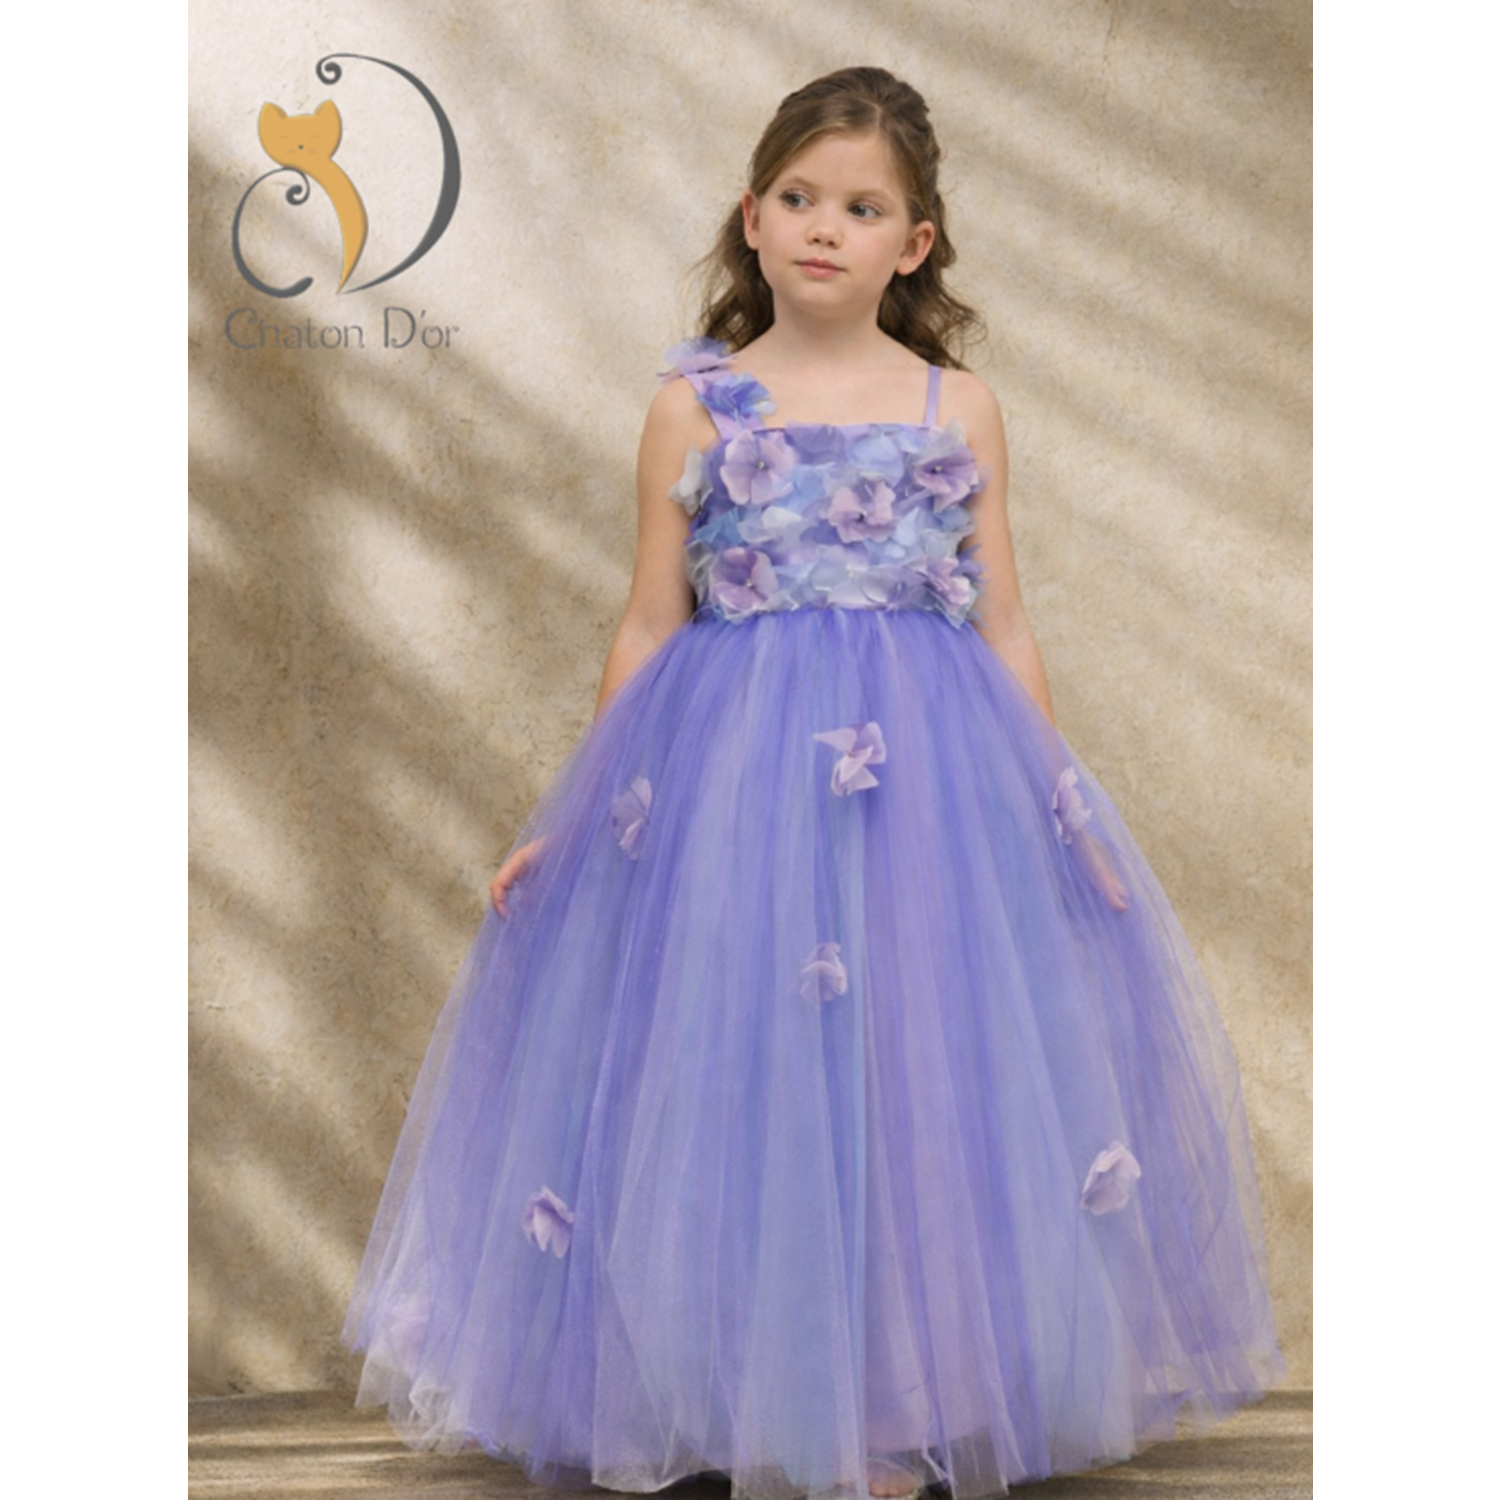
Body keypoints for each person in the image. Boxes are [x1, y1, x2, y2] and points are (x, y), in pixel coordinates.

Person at [343, 66, 1284, 1500]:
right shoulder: (694, 407)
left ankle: (894, 1407)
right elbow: (649, 620)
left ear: (915, 242)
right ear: (752, 217)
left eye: (862, 207)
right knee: (743, 1071)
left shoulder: (958, 406)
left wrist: (1057, 808)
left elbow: (1004, 623)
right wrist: (581, 812)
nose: (825, 226)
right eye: (798, 197)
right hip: (736, 791)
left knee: (912, 1075)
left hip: (930, 797)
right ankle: (744, 1401)